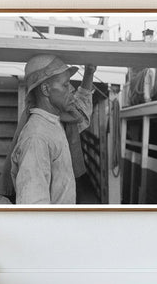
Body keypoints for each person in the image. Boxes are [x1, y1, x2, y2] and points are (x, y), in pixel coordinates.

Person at [8, 54, 96, 204]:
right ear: (46, 89)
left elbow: (81, 112)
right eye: (65, 85)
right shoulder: (36, 138)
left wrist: (89, 73)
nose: (72, 88)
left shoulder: (57, 121)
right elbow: (33, 208)